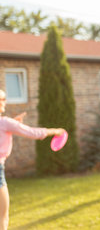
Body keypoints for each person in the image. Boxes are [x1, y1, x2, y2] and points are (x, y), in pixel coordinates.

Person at [0, 89, 65, 230]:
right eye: (2, 99)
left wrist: (14, 123)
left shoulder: (6, 123)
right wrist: (55, 131)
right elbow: (32, 132)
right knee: (2, 216)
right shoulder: (5, 122)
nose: (5, 102)